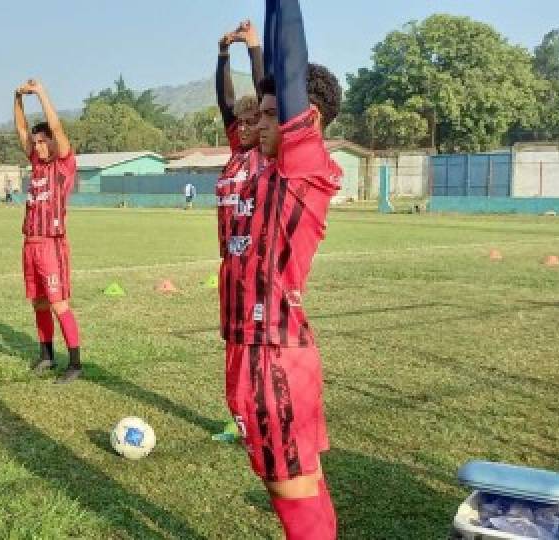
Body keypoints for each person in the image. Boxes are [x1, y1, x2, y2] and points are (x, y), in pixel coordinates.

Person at [220, 1, 344, 537]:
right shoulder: (267, 167)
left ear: (304, 119)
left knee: (290, 489)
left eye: (271, 115)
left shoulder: (302, 164)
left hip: (272, 352)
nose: (260, 123)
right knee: (303, 481)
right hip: (256, 347)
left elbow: (290, 63)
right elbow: (274, 72)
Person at [13, 78, 83, 384]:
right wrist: (17, 98)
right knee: (39, 302)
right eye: (37, 142)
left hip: (52, 245)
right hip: (30, 244)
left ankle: (76, 362)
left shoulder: (63, 165)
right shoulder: (36, 165)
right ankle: (46, 354)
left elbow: (57, 128)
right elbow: (20, 131)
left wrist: (41, 93)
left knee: (58, 302)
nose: (39, 146)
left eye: (44, 141)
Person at [216, 19, 267, 260]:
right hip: (231, 255)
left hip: (259, 256)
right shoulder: (238, 149)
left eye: (252, 121)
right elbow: (225, 101)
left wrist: (253, 46)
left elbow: (264, 90)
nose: (243, 128)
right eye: (241, 122)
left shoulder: (268, 151)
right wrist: (223, 54)